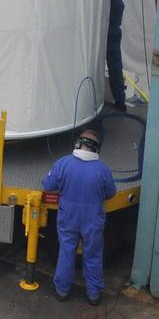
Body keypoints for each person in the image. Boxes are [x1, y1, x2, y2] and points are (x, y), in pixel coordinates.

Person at [43, 128, 117, 305]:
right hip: (92, 219)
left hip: (68, 217)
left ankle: (62, 290)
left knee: (67, 251)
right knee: (93, 254)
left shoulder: (64, 163)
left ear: (78, 144)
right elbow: (111, 193)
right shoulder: (103, 169)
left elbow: (48, 185)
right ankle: (93, 294)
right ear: (96, 149)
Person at [107, 0, 127, 111]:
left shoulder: (114, 3)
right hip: (113, 3)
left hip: (112, 5)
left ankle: (120, 101)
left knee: (114, 61)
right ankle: (120, 100)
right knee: (115, 63)